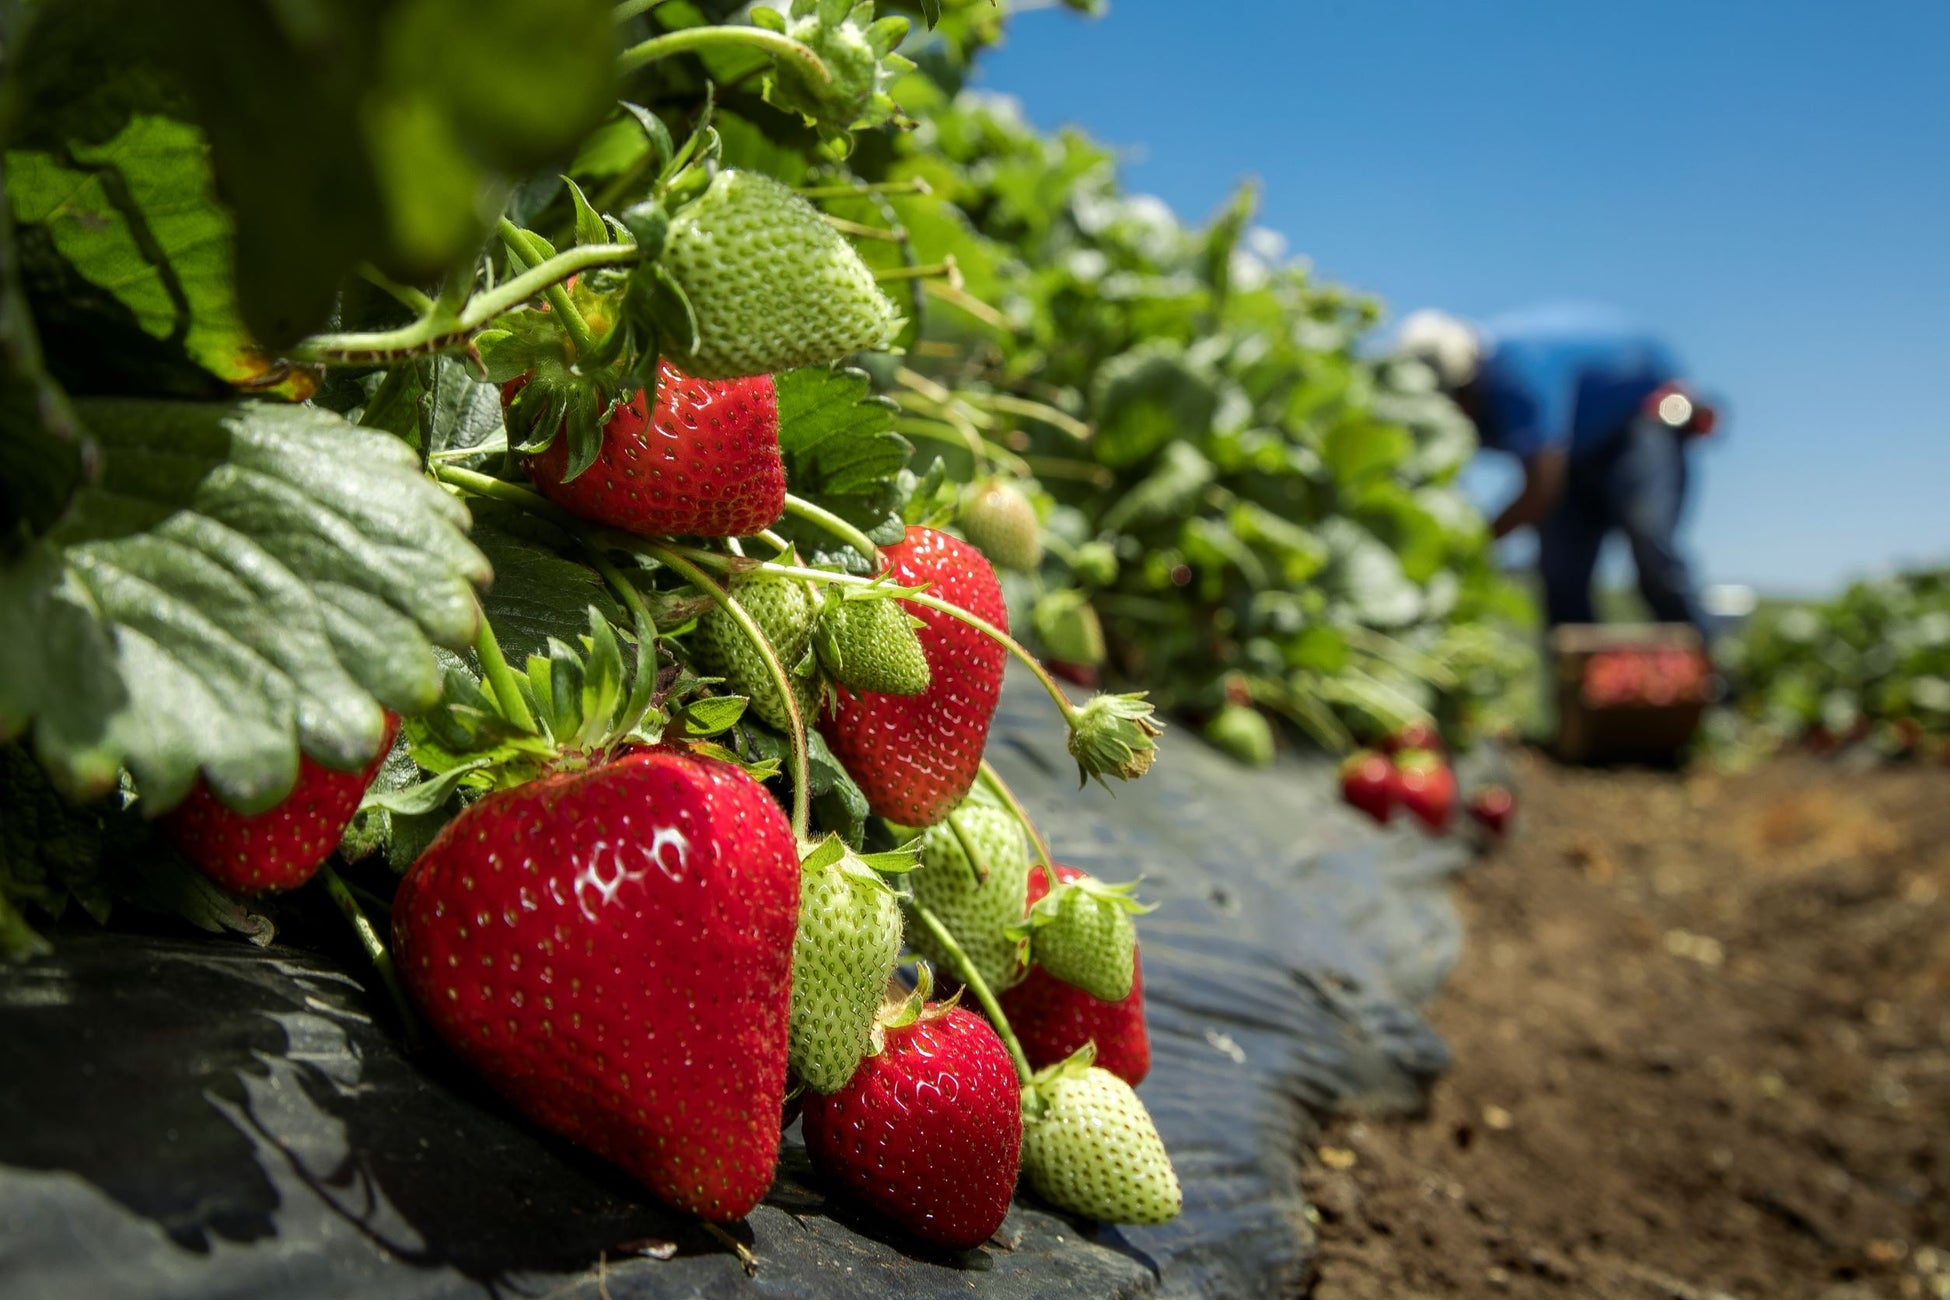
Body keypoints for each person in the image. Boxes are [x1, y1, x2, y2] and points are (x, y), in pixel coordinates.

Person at [1396, 303, 1714, 636]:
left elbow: (1542, 489)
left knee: (1650, 544)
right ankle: (1578, 681)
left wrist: (1474, 545)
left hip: (1641, 416)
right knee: (1561, 577)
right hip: (1575, 448)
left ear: (1464, 381)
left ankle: (1710, 666)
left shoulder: (1516, 372)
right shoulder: (1471, 403)